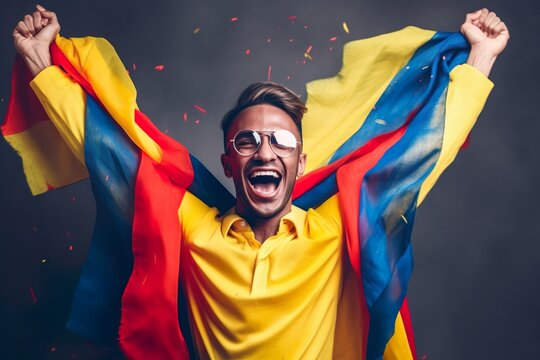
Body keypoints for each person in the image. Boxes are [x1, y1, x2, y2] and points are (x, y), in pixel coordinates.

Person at [7, 4, 509, 359]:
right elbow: (114, 158)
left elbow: (419, 157)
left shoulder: (332, 231)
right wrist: (40, 62)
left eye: (281, 142)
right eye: (247, 143)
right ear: (228, 163)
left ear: (301, 160)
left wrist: (480, 58)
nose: (264, 151)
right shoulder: (194, 229)